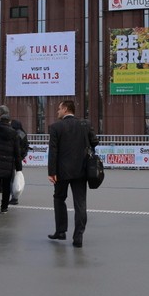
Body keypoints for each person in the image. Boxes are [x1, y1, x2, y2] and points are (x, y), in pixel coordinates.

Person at [47, 99, 98, 248]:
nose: (57, 111)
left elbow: (53, 151)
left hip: (61, 171)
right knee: (80, 203)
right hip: (81, 170)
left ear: (65, 109)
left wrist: (52, 172)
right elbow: (94, 142)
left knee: (59, 198)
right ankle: (78, 237)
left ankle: (61, 231)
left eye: (59, 109)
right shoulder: (85, 124)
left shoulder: (56, 127)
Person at [0, 110, 22, 216]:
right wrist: (19, 168)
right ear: (9, 121)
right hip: (9, 164)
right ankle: (4, 207)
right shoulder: (14, 134)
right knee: (7, 186)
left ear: (0, 120)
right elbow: (17, 152)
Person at [0, 105, 29, 205]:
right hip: (17, 155)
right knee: (12, 176)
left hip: (8, 155)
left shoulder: (4, 127)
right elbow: (25, 143)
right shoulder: (19, 129)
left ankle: (11, 196)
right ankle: (14, 196)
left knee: (8, 178)